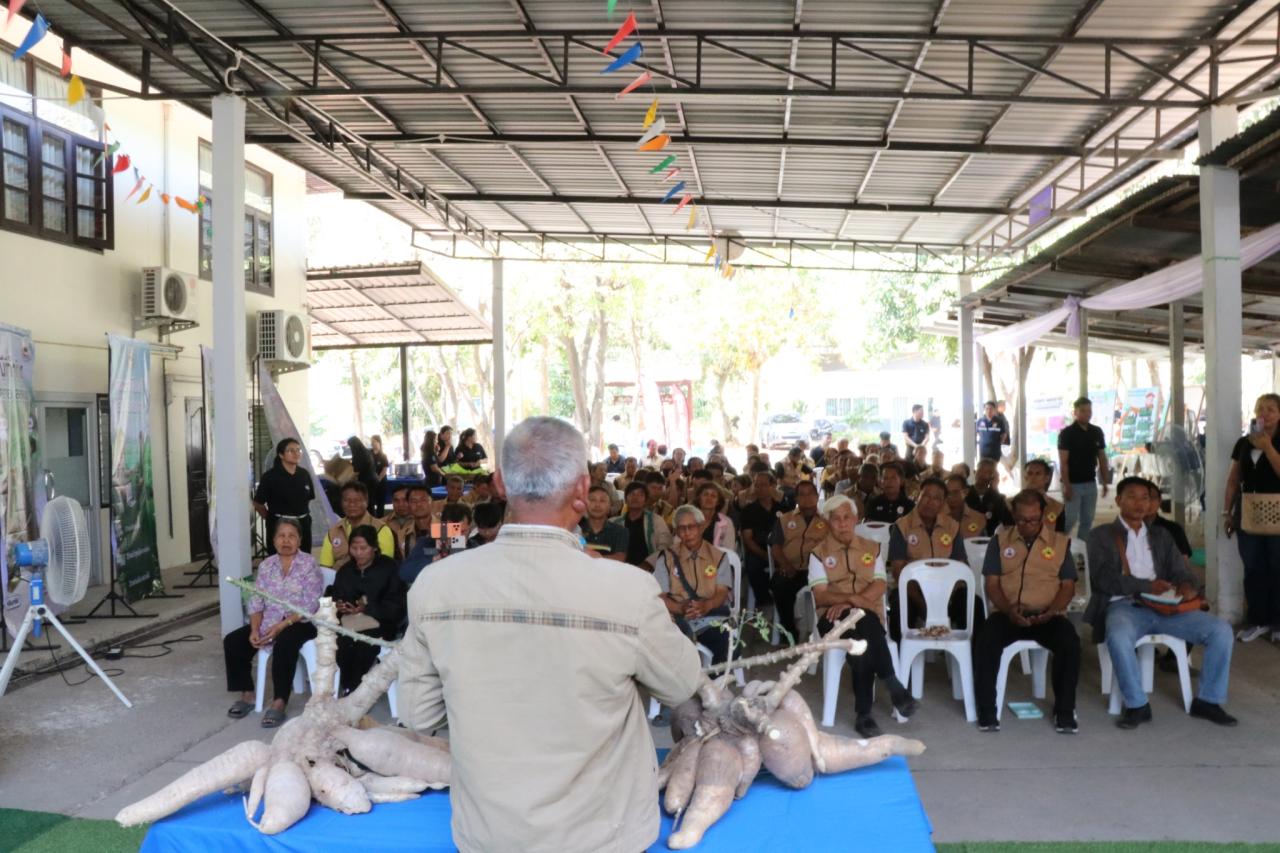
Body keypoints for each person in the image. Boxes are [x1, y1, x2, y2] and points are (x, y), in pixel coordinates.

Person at [398, 417, 702, 853]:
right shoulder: (627, 590)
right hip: (605, 835)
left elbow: (416, 713)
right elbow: (681, 682)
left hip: (489, 835)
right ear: (582, 489)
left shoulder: (435, 584)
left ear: (499, 483)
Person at [1084, 477, 1237, 729]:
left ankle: (1208, 701)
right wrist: (1145, 586)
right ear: (1118, 500)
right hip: (1125, 606)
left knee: (1220, 631)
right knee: (1119, 636)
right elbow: (1103, 579)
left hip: (1165, 607)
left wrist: (1188, 586)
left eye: (1145, 497)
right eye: (1132, 496)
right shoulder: (1101, 535)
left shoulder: (1161, 535)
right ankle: (1137, 705)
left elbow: (1181, 571)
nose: (1139, 503)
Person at [809, 494, 918, 737]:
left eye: (847, 517)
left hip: (867, 612)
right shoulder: (818, 553)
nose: (842, 523)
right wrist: (853, 601)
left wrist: (855, 603)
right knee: (863, 631)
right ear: (828, 523)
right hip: (832, 617)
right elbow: (821, 596)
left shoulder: (873, 548)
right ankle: (894, 687)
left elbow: (880, 585)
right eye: (836, 519)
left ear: (856, 519)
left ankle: (864, 715)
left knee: (863, 638)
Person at [974, 490, 1081, 734]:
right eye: (1022, 520)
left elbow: (1068, 587)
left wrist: (1052, 610)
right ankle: (987, 711)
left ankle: (1065, 712)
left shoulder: (1060, 543)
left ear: (1042, 515)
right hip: (1008, 613)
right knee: (985, 639)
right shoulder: (1000, 542)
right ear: (1014, 516)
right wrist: (1009, 610)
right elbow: (992, 585)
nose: (1028, 525)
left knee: (1070, 643)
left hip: (1048, 615)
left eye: (1033, 519)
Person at [223, 519, 323, 727]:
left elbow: (311, 604)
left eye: (292, 536)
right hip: (269, 621)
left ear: (300, 540)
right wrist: (254, 629)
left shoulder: (308, 564)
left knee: (285, 642)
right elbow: (257, 600)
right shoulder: (266, 565)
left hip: (300, 621)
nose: (286, 540)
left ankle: (279, 701)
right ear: (274, 540)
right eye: (281, 536)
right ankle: (248, 694)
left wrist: (281, 626)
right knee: (233, 641)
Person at [1225, 393, 1280, 642]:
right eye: (1261, 409)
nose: (1265, 414)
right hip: (1248, 512)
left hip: (1277, 511)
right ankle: (1257, 620)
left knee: (1277, 568)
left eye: (1271, 409)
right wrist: (1227, 512)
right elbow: (1234, 479)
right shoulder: (1244, 442)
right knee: (1253, 568)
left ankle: (1277, 624)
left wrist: (1268, 447)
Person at [329, 524, 407, 695]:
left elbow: (396, 606)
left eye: (363, 548)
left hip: (382, 622)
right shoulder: (345, 571)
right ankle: (349, 684)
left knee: (363, 641)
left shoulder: (390, 568)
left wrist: (368, 608)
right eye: (354, 548)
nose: (358, 552)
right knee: (342, 641)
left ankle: (354, 689)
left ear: (374, 548)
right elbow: (335, 597)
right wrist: (341, 606)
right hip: (350, 622)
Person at [652, 505, 734, 665]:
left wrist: (706, 605)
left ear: (702, 527)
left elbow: (721, 593)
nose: (687, 533)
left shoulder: (718, 557)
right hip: (677, 616)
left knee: (726, 638)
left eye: (691, 527)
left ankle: (715, 682)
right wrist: (680, 608)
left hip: (709, 613)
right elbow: (660, 596)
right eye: (681, 529)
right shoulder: (667, 557)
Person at [887, 478, 967, 637]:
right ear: (918, 496)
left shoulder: (952, 527)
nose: (930, 502)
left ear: (943, 503)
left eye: (936, 498)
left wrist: (944, 600)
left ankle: (968, 656)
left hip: (947, 591)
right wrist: (924, 604)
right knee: (899, 607)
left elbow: (960, 568)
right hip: (913, 590)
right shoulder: (901, 526)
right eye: (926, 496)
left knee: (973, 604)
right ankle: (901, 658)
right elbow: (898, 572)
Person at [769, 480, 829, 640]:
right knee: (779, 586)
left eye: (810, 493)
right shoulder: (784, 519)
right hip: (792, 569)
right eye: (801, 495)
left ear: (817, 497)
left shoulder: (827, 521)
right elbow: (775, 546)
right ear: (796, 499)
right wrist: (785, 565)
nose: (806, 498)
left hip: (818, 572)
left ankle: (825, 630)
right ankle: (789, 632)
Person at [1058, 397, 1111, 539]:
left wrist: (1105, 482)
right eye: (1083, 411)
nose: (1087, 413)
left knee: (1087, 520)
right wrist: (1067, 486)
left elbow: (1102, 458)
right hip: (1073, 483)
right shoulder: (1067, 433)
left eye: (1089, 410)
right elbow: (1063, 462)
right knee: (1070, 518)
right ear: (1075, 412)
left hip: (1090, 482)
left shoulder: (1096, 431)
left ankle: (1082, 548)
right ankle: (1057, 543)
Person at [252, 437, 316, 554]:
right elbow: (258, 502)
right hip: (279, 523)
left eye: (298, 450)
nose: (296, 453)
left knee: (304, 558)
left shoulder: (304, 474)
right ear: (281, 455)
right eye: (291, 450)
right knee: (279, 559)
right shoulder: (270, 477)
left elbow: (309, 498)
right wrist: (271, 518)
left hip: (303, 523)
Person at [319, 482, 397, 568]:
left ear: (366, 502)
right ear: (341, 502)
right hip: (338, 578)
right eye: (347, 500)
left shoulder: (381, 529)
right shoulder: (333, 531)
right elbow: (325, 566)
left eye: (357, 500)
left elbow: (385, 567)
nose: (352, 504)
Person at [738, 470, 782, 610]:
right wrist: (765, 555)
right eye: (756, 485)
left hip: (780, 550)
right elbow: (748, 539)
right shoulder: (748, 510)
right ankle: (764, 601)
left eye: (764, 485)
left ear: (772, 486)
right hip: (759, 550)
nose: (759, 488)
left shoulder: (783, 508)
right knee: (752, 565)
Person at [612, 481, 673, 568]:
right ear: (625, 499)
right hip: (619, 570)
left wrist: (648, 564)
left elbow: (666, 546)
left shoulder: (656, 521)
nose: (635, 497)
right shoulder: (615, 523)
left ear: (645, 501)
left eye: (640, 495)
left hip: (649, 571)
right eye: (631, 494)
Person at [581, 484, 629, 561]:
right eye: (592, 500)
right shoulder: (576, 529)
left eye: (602, 501)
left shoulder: (620, 532)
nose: (597, 505)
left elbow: (620, 558)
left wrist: (594, 559)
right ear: (585, 504)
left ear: (610, 506)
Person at [966, 458, 1012, 535]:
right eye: (981, 471)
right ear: (974, 472)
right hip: (967, 536)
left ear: (992, 476)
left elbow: (1008, 522)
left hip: (991, 539)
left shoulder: (997, 498)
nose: (983, 475)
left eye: (988, 472)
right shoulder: (965, 494)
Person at [1023, 459, 1066, 532]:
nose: (1033, 477)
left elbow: (1059, 533)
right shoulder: (1010, 504)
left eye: (1038, 474)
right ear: (1025, 477)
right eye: (1030, 473)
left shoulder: (1057, 508)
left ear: (1046, 478)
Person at [695, 481, 737, 551]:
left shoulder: (726, 522)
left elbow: (728, 550)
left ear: (718, 502)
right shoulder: (688, 518)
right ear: (699, 498)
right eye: (705, 494)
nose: (709, 498)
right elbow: (678, 543)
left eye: (713, 496)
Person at [944, 473, 987, 539]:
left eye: (955, 492)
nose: (950, 496)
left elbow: (983, 546)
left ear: (965, 492)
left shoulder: (978, 519)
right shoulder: (937, 516)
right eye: (947, 493)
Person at [348, 436, 383, 517]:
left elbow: (357, 471)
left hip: (366, 482)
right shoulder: (367, 451)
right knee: (371, 503)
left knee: (367, 503)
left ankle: (369, 522)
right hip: (373, 480)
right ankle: (372, 520)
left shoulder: (359, 455)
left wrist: (347, 479)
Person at [386, 484, 415, 556]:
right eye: (396, 500)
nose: (400, 504)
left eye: (405, 500)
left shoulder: (423, 523)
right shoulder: (382, 523)